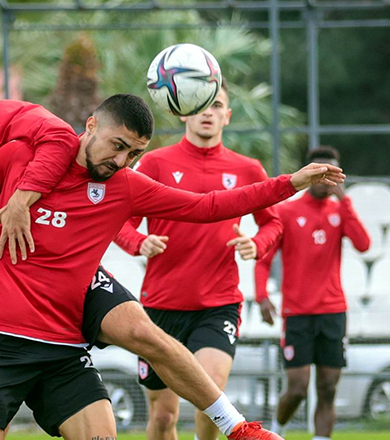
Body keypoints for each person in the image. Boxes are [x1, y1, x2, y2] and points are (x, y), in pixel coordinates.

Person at [0, 40, 290, 440]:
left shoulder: (8, 132)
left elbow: (61, 141)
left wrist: (21, 199)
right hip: (3, 319)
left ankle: (237, 427)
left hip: (68, 285)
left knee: (147, 336)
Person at [0, 93, 343, 440]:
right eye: (118, 146)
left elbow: (210, 206)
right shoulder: (24, 159)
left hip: (63, 347)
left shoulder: (125, 186)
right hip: (1, 342)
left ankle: (238, 428)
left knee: (143, 338)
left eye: (134, 153)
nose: (121, 161)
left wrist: (291, 182)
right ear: (91, 125)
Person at [113, 81, 282, 440]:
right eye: (202, 105)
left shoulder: (247, 168)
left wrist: (258, 243)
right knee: (162, 417)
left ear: (227, 116)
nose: (209, 112)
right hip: (160, 307)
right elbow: (119, 220)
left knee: (212, 395)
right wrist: (139, 242)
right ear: (184, 110)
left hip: (218, 304)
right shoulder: (156, 162)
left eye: (217, 106)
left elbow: (274, 222)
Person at [254, 146, 370, 440]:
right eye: (320, 172)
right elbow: (263, 258)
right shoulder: (287, 211)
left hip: (333, 312)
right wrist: (262, 296)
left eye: (331, 173)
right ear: (309, 174)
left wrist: (345, 201)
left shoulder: (340, 210)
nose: (325, 179)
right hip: (297, 313)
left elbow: (363, 244)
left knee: (328, 388)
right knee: (297, 388)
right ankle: (277, 431)